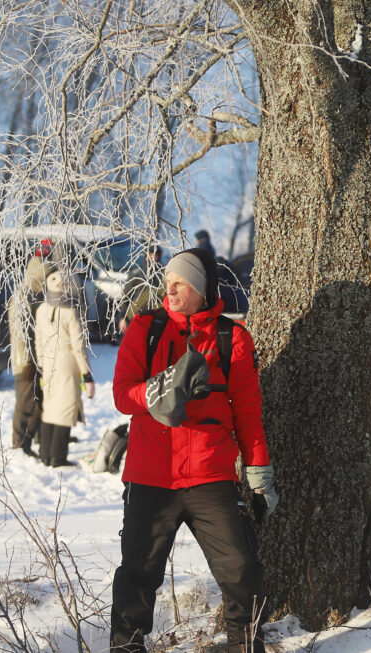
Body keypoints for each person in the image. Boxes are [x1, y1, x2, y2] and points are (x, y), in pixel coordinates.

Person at [110, 248, 278, 653]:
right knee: (138, 576)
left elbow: (249, 416)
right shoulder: (146, 328)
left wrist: (259, 478)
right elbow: (122, 396)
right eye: (168, 280)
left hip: (210, 476)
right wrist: (163, 388)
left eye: (181, 282)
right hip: (152, 476)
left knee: (241, 571)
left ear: (202, 290)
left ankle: (245, 644)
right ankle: (125, 648)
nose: (171, 288)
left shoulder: (232, 338)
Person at [33, 267, 94, 467]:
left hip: (48, 363)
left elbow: (38, 340)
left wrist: (41, 365)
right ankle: (58, 457)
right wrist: (86, 373)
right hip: (67, 364)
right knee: (65, 409)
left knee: (50, 408)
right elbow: (78, 346)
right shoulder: (70, 311)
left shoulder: (41, 309)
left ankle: (45, 453)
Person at [8, 239, 55, 457]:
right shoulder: (21, 297)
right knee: (25, 403)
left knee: (39, 402)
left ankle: (30, 441)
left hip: (39, 360)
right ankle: (19, 444)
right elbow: (20, 334)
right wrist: (27, 361)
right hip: (25, 362)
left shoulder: (39, 296)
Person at [116, 245, 165, 333]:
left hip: (157, 315)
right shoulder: (137, 273)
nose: (154, 257)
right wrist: (123, 317)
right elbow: (126, 296)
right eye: (152, 254)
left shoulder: (163, 273)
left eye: (156, 255)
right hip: (138, 313)